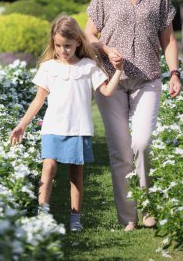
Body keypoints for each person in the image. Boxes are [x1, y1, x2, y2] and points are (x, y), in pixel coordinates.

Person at [85, 0, 182, 231]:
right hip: (109, 80)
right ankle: (128, 217)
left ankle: (149, 207)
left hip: (147, 78)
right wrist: (106, 48)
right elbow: (89, 35)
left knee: (143, 143)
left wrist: (175, 72)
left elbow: (168, 40)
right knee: (120, 151)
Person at [9, 14, 123, 232]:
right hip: (52, 127)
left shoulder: (89, 67)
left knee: (75, 175)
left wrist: (118, 70)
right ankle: (43, 215)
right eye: (59, 45)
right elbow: (38, 100)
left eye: (68, 46)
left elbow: (107, 91)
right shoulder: (48, 67)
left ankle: (75, 218)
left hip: (79, 129)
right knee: (48, 168)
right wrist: (22, 124)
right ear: (53, 42)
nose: (63, 50)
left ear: (78, 42)